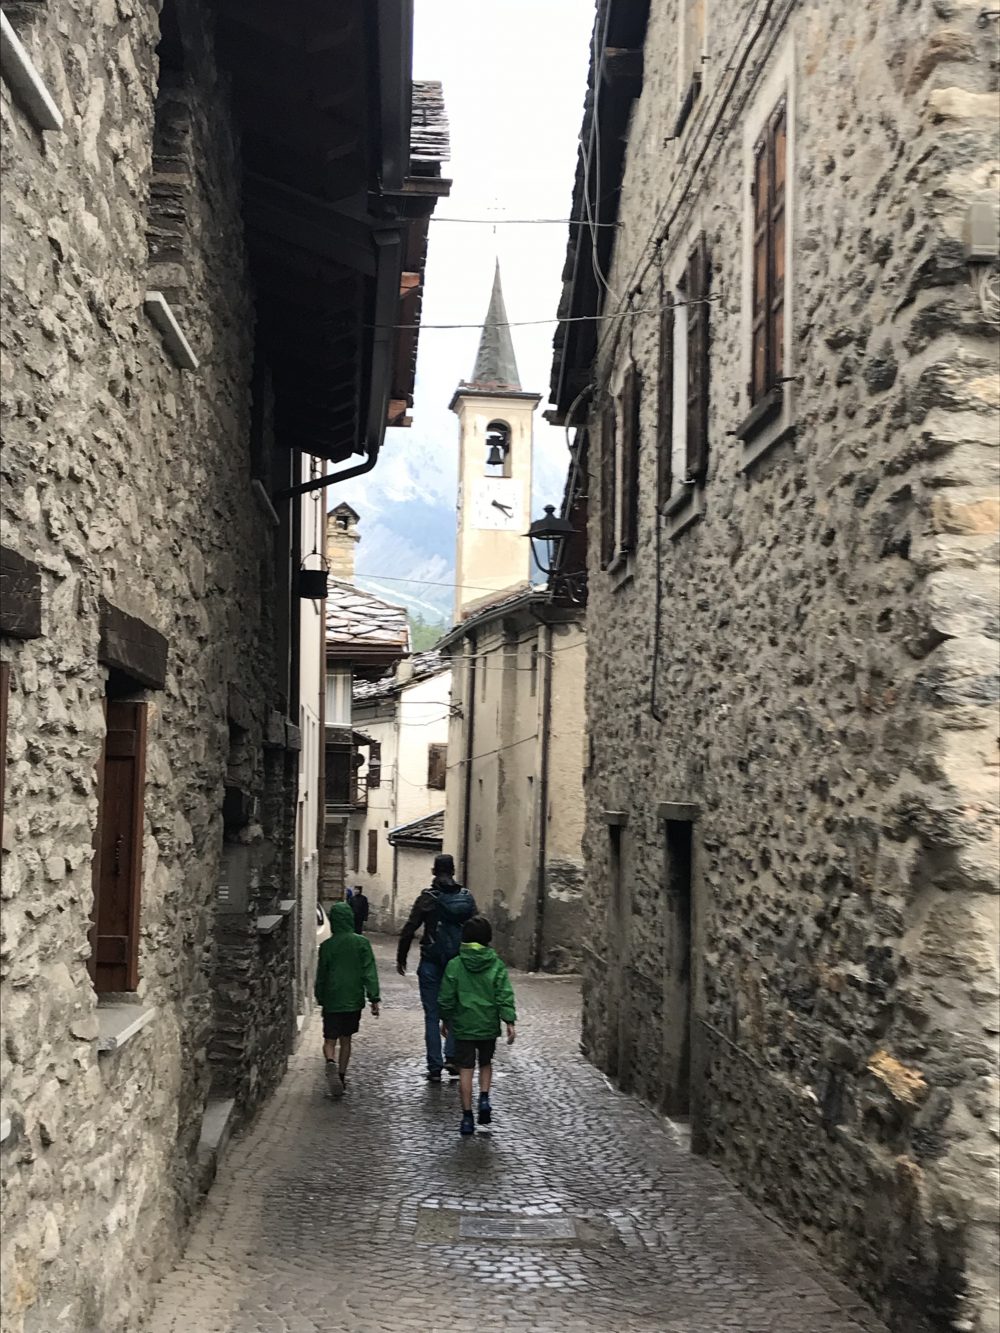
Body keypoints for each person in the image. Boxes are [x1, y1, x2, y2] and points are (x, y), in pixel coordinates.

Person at [397, 852, 476, 1082]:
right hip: (457, 962)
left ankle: (434, 1066)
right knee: (455, 1011)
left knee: (432, 1015)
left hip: (431, 961)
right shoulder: (466, 898)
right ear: (453, 871)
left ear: (433, 871)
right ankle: (452, 1057)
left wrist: (401, 957)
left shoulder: (427, 898)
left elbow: (410, 928)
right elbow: (477, 928)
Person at [439, 915, 517, 1136]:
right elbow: (504, 993)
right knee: (485, 1062)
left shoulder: (455, 965)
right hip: (487, 1024)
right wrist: (509, 1020)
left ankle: (466, 1117)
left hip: (463, 1025)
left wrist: (446, 1019)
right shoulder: (496, 965)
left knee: (465, 1069)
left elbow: (446, 997)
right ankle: (484, 1097)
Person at [313, 900, 380, 1098]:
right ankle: (341, 1076)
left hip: (333, 998)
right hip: (352, 998)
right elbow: (369, 972)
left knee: (329, 1039)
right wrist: (374, 998)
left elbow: (321, 975)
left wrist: (320, 996)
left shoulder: (327, 946)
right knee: (346, 1039)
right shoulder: (361, 943)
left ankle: (330, 1062)